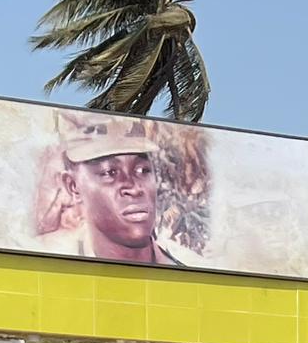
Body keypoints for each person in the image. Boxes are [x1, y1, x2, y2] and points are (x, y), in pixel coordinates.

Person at [49, 114, 207, 267]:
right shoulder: (49, 263)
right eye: (109, 173)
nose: (135, 188)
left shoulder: (196, 272)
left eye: (142, 170)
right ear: (73, 187)